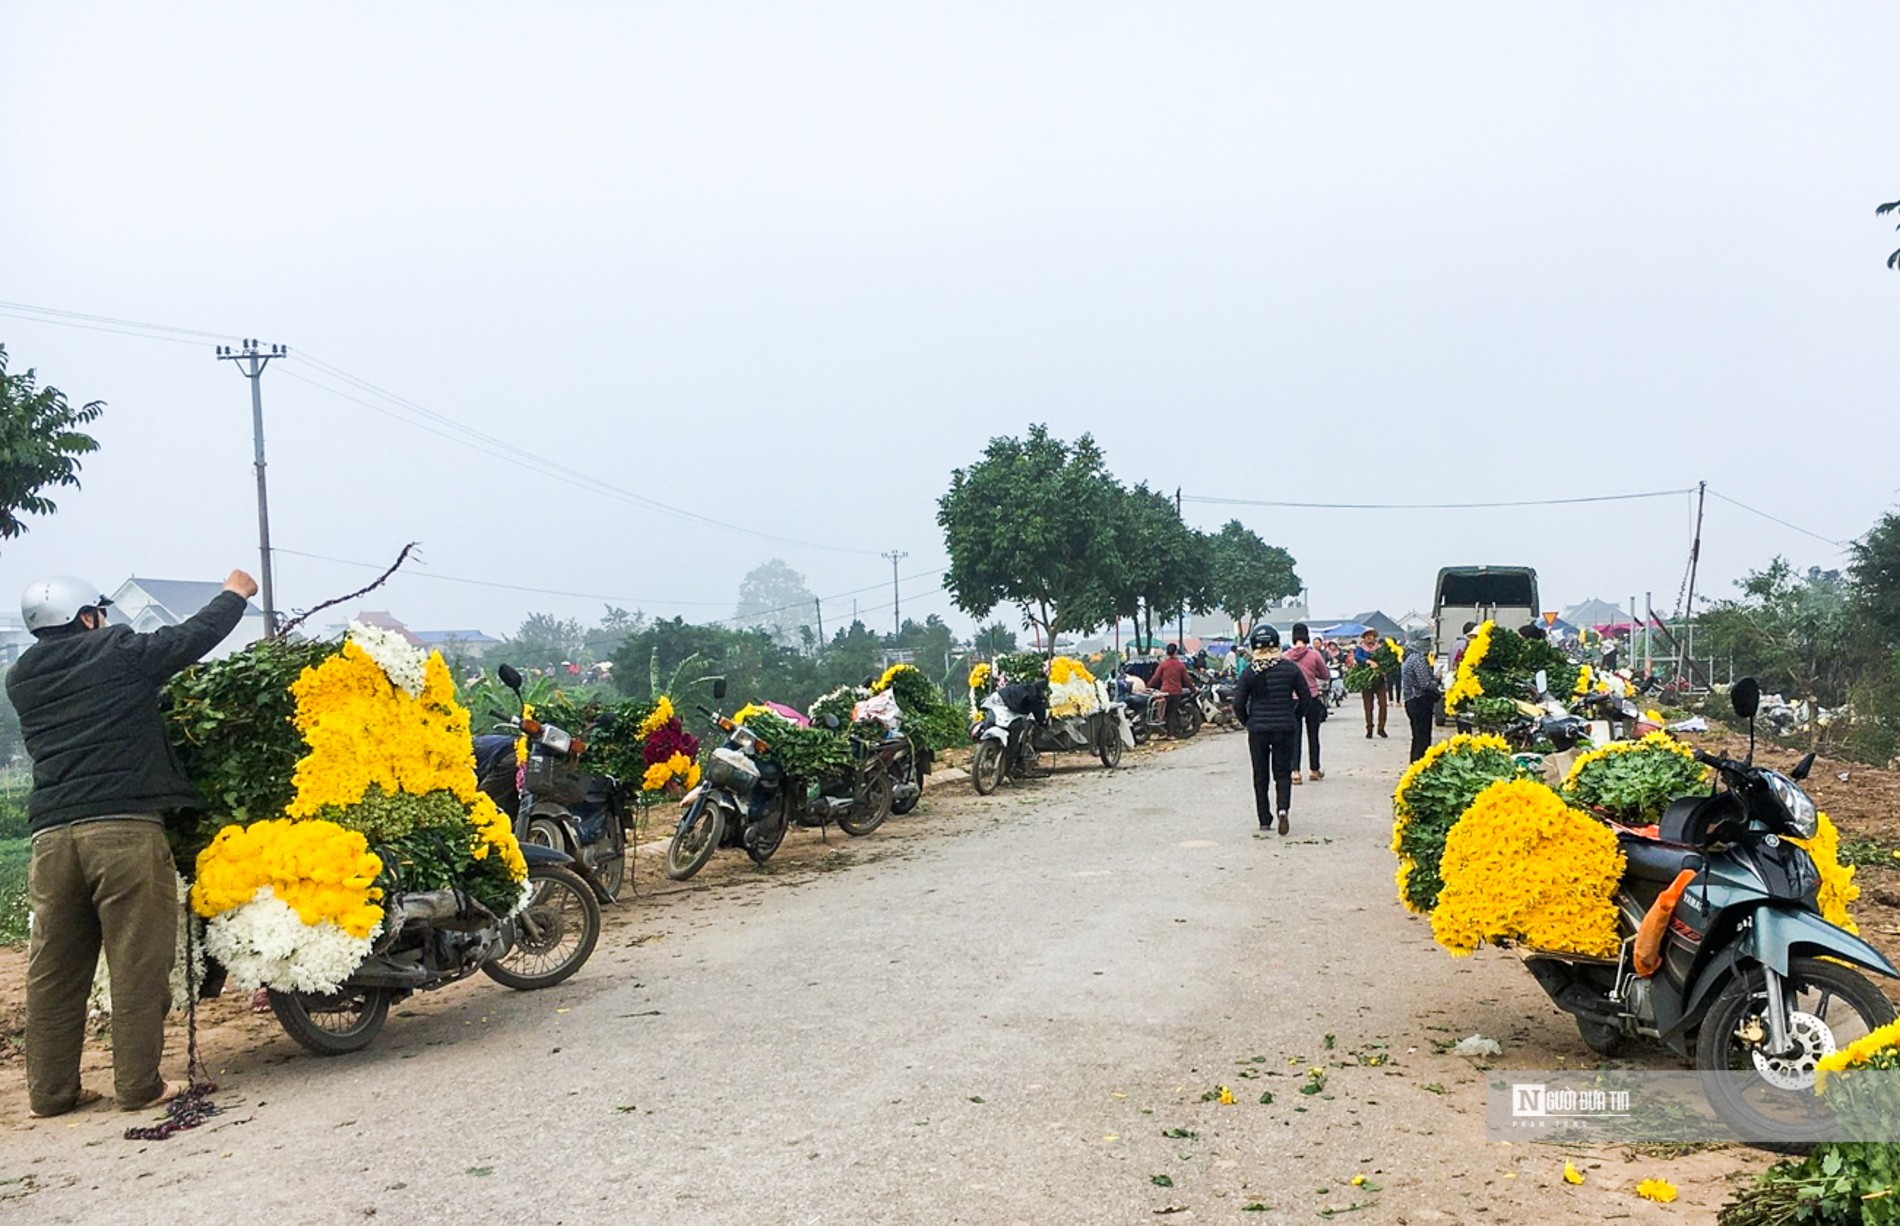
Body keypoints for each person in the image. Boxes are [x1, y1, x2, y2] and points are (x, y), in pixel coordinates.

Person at [8, 570, 256, 1118]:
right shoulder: (115, 651)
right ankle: (139, 1086)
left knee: (54, 972)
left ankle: (51, 1094)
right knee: (137, 962)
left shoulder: (21, 677)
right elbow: (189, 639)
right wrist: (233, 594)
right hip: (122, 830)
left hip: (51, 840)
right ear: (86, 618)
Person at [1233, 624, 1311, 835]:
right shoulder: (1290, 669)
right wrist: (1294, 716)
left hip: (1258, 729)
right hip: (1284, 727)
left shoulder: (1250, 672)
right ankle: (1283, 810)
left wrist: (1248, 721)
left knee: (1260, 774)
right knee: (1282, 773)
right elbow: (1306, 698)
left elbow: (1237, 703)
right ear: (1277, 644)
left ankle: (1264, 819)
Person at [1281, 622, 1330, 784]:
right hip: (1312, 697)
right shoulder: (1314, 655)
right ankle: (1314, 770)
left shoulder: (1285, 657)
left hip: (1292, 700)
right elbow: (1325, 675)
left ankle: (1295, 771)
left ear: (1293, 637)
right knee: (1313, 734)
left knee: (1294, 736)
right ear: (1307, 636)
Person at [1400, 644, 1442, 762]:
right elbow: (1425, 684)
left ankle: (1415, 764)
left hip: (1411, 702)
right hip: (1420, 702)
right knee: (1423, 738)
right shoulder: (1418, 659)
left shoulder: (1408, 658)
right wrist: (1436, 680)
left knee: (1417, 737)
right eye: (1425, 641)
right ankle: (1420, 765)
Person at [1352, 628, 1388, 739]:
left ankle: (1381, 728)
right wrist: (1368, 661)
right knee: (1368, 707)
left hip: (1379, 680)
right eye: (1367, 636)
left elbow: (1386, 659)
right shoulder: (1360, 648)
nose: (1369, 637)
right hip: (1366, 680)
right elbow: (1357, 657)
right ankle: (1369, 729)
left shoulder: (1380, 648)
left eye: (1371, 635)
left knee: (1383, 705)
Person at [1150, 642, 1189, 727]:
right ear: (1175, 652)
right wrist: (1193, 689)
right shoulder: (1180, 665)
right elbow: (1187, 680)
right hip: (1176, 692)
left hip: (1165, 692)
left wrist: (1147, 686)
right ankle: (1170, 734)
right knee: (1172, 714)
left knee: (1162, 712)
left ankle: (1161, 731)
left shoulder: (1163, 664)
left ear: (1167, 652)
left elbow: (1155, 677)